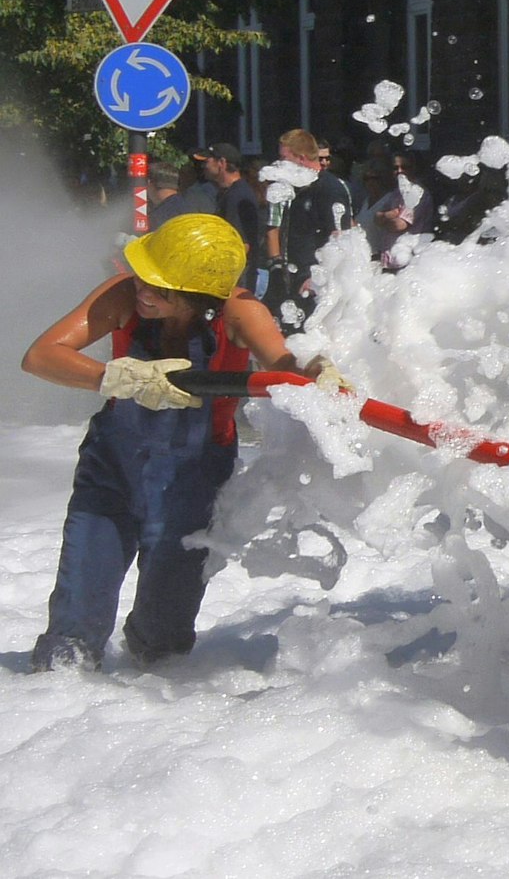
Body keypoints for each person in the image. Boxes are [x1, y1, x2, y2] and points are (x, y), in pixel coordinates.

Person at [21, 214, 333, 670]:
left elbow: (286, 364)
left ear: (202, 298)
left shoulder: (240, 312)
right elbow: (40, 357)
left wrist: (321, 370)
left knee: (162, 644)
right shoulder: (124, 295)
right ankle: (60, 691)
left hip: (195, 478)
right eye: (145, 278)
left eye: (161, 288)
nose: (144, 291)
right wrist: (115, 376)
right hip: (112, 468)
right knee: (75, 621)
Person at [265, 129, 356, 331]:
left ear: (302, 159)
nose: (278, 164)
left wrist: (318, 278)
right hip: (295, 284)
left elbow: (341, 238)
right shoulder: (297, 189)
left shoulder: (329, 188)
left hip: (317, 288)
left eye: (283, 158)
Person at [192, 143, 262, 293]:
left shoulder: (237, 195)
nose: (204, 166)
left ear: (222, 163)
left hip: (238, 280)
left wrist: (222, 275)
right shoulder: (228, 193)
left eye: (207, 161)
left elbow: (243, 244)